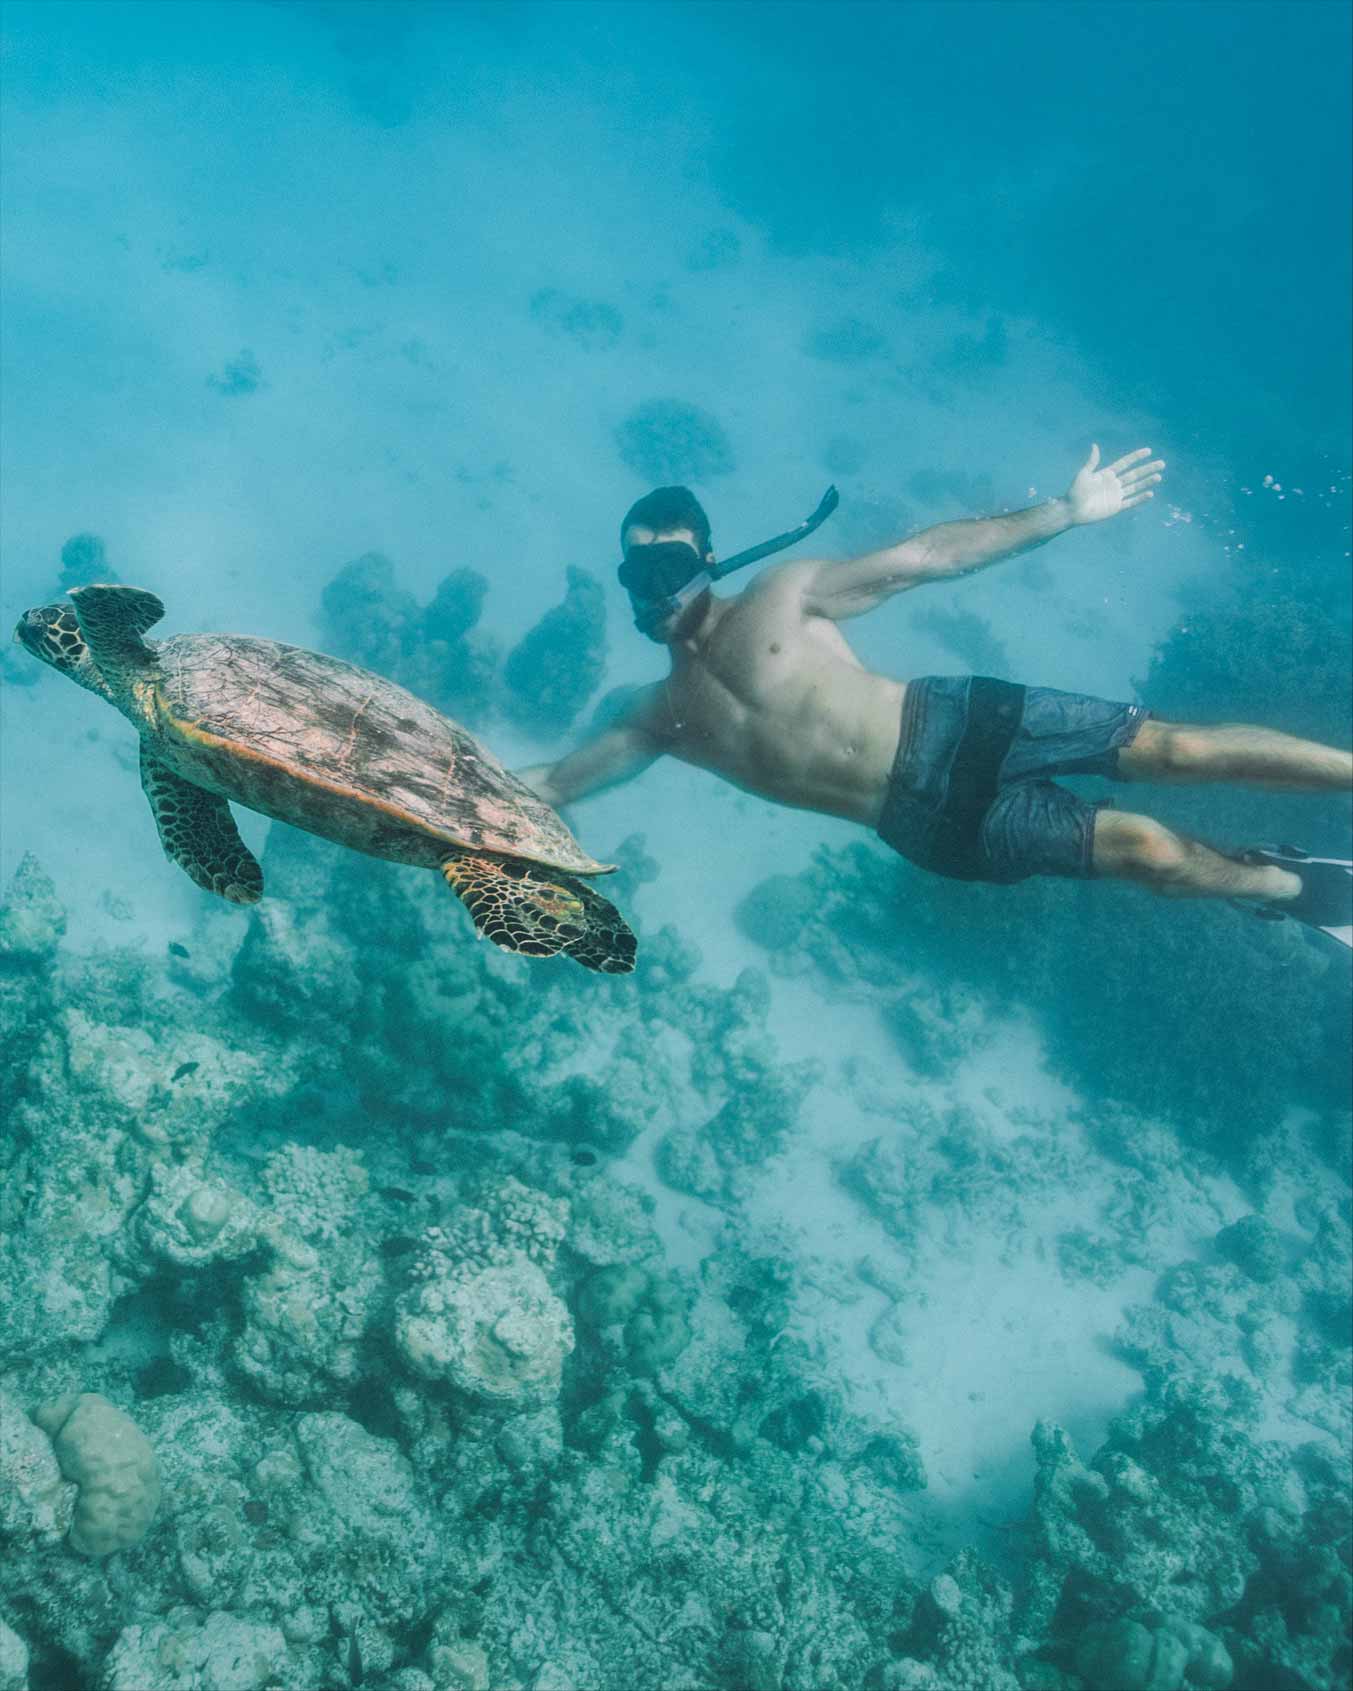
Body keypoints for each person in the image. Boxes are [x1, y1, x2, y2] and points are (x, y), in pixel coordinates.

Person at [519, 447, 1353, 940]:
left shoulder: (782, 592)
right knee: (1153, 854)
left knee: (1177, 751)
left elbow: (929, 557)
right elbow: (552, 783)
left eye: (668, 566)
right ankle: (1287, 887)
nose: (652, 590)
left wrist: (1061, 511)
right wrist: (414, 795)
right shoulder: (657, 717)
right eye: (636, 574)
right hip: (925, 825)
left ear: (707, 555)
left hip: (955, 718)